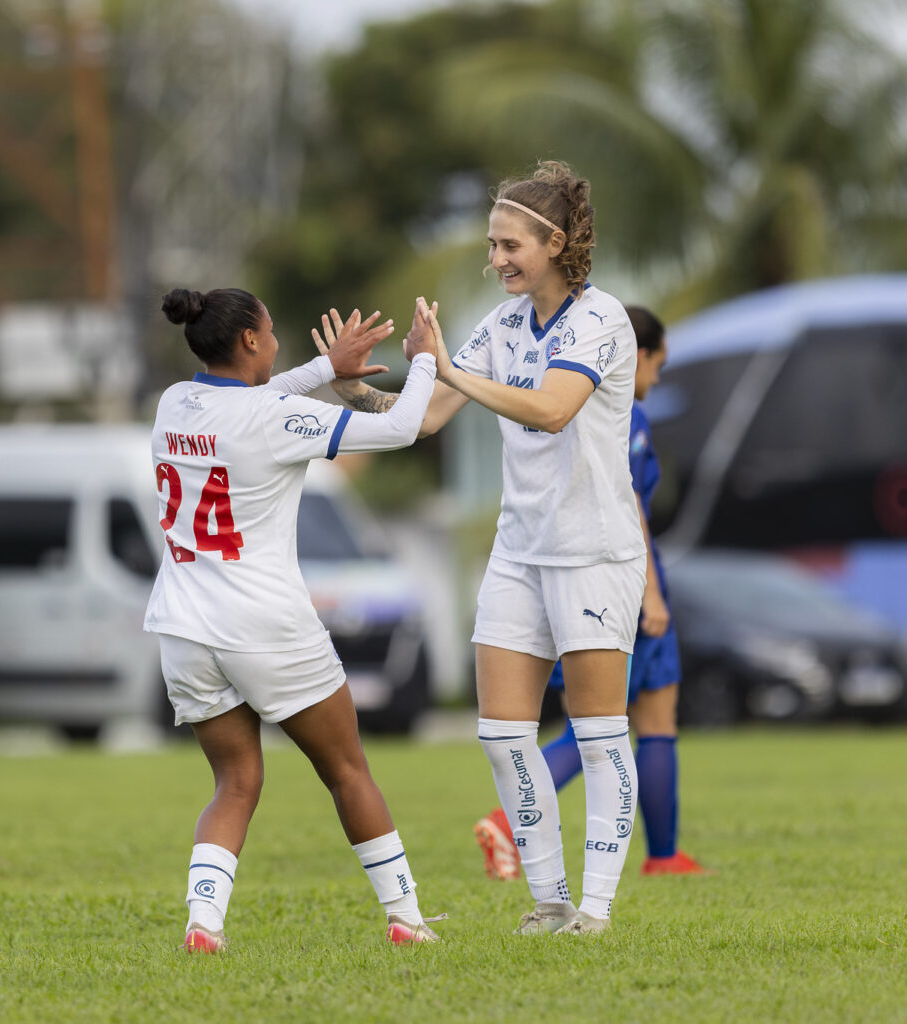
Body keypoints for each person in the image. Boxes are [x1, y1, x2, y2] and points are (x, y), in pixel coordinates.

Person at [325, 161, 646, 935]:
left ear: (556, 243)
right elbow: (422, 417)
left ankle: (596, 909)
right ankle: (551, 901)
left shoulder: (601, 319)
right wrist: (348, 386)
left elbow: (551, 409)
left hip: (593, 553)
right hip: (519, 552)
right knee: (502, 736)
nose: (495, 259)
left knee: (599, 736)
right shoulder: (500, 325)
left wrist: (450, 373)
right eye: (491, 246)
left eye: (509, 246)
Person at [146, 286, 446, 952]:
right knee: (347, 771)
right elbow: (403, 428)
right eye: (273, 332)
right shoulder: (274, 415)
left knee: (235, 782)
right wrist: (424, 358)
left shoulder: (173, 402)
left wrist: (325, 369)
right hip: (264, 623)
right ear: (250, 340)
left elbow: (250, 402)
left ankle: (204, 923)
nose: (278, 343)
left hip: (183, 625)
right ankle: (405, 918)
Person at [474, 306, 707, 881]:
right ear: (636, 354)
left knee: (601, 722)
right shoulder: (626, 412)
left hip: (570, 567)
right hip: (615, 571)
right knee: (635, 722)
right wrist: (652, 594)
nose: (655, 378)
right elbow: (630, 504)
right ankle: (655, 855)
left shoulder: (570, 397)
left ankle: (653, 856)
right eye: (657, 364)